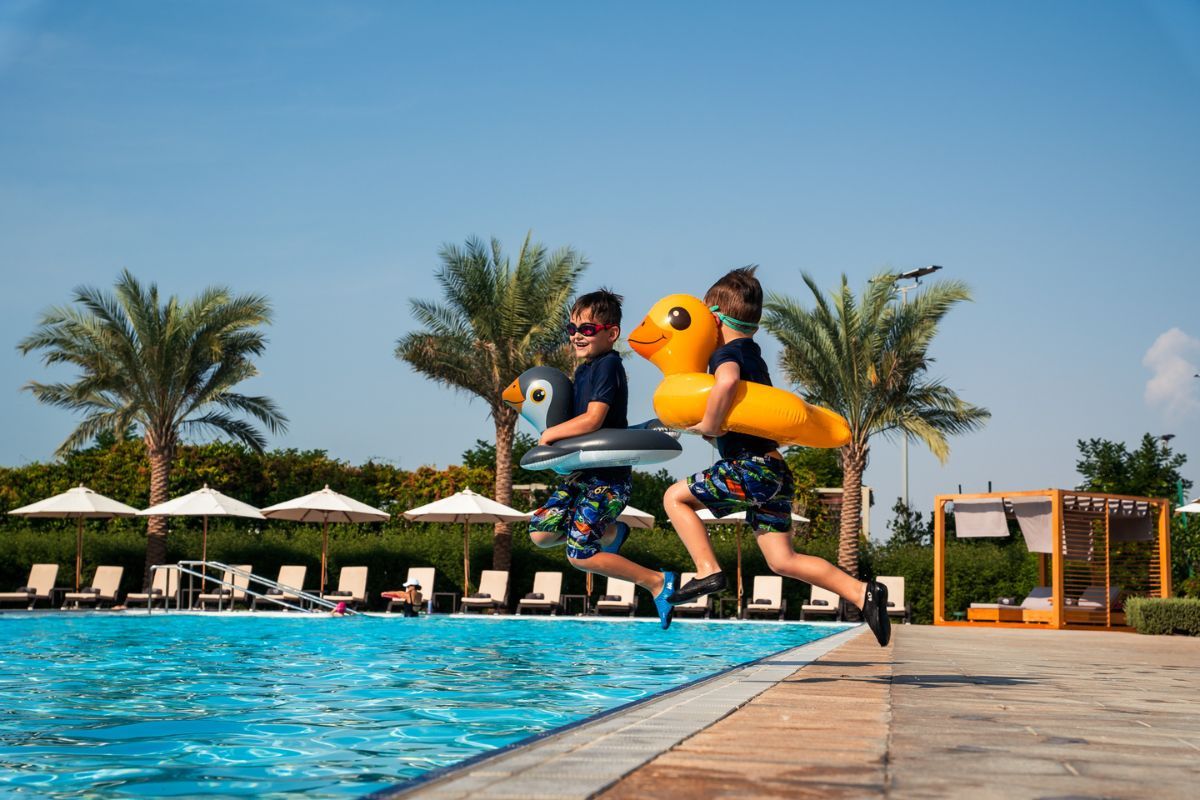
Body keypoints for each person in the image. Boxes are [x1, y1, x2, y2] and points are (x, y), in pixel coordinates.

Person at [662, 266, 891, 646]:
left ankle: (707, 570)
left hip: (749, 468)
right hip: (775, 471)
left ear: (714, 318)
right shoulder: (753, 353)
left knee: (674, 498)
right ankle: (861, 593)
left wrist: (709, 425)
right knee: (782, 560)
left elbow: (727, 382)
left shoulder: (727, 354)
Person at [528, 288, 679, 629]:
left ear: (611, 333)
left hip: (608, 480)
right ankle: (612, 534)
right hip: (581, 476)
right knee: (540, 533)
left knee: (580, 554)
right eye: (572, 329)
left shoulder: (608, 365)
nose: (577, 336)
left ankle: (657, 581)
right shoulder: (583, 370)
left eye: (587, 329)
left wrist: (552, 435)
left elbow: (594, 419)